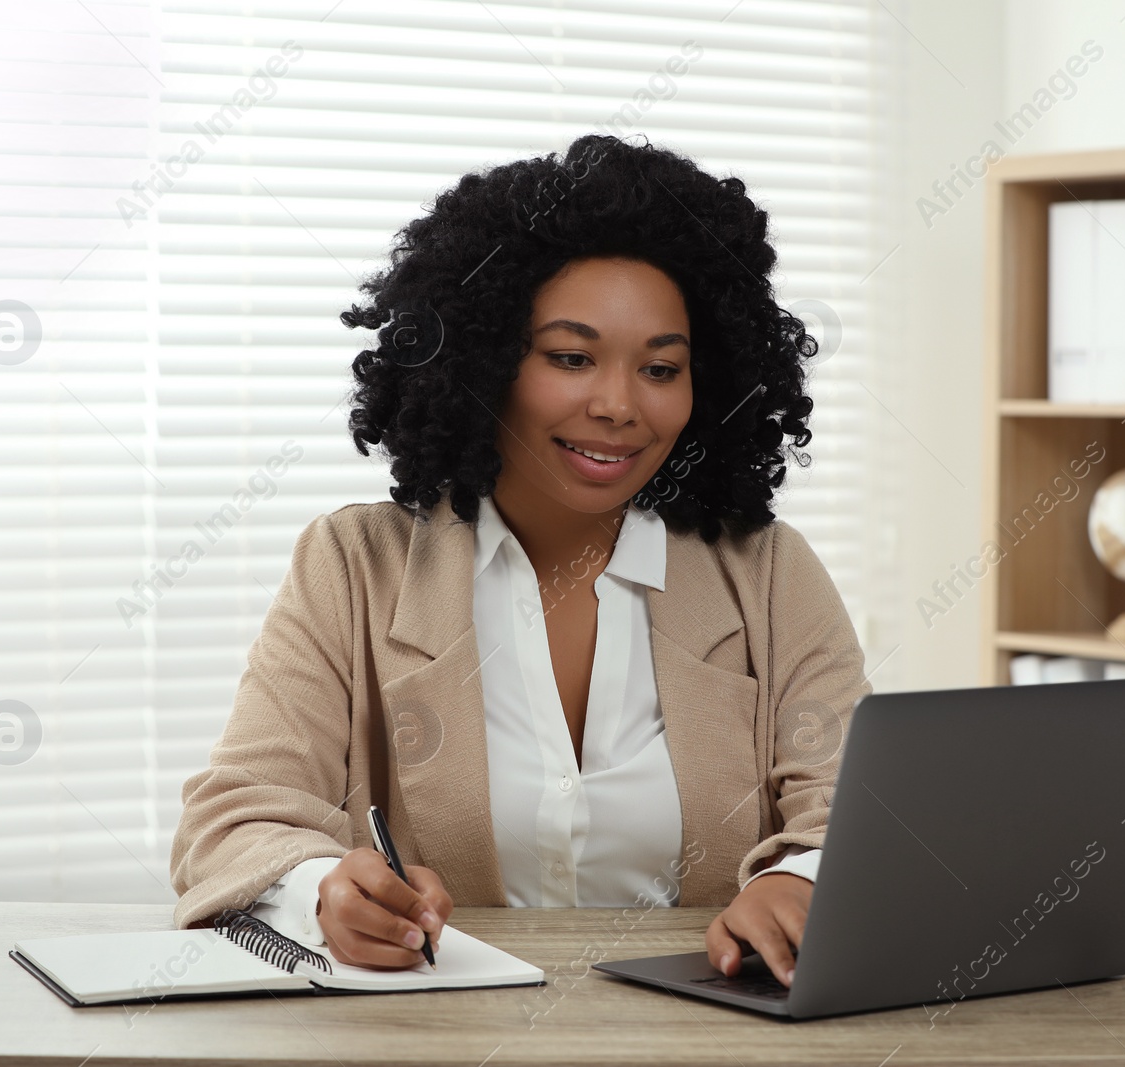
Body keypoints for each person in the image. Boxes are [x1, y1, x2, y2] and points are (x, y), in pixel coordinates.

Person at [168, 133, 870, 992]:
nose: (617, 404)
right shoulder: (353, 565)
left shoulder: (766, 574)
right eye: (570, 358)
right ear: (488, 360)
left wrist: (793, 883)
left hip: (703, 1037)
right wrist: (324, 890)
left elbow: (857, 817)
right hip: (437, 1041)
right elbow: (234, 818)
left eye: (660, 368)